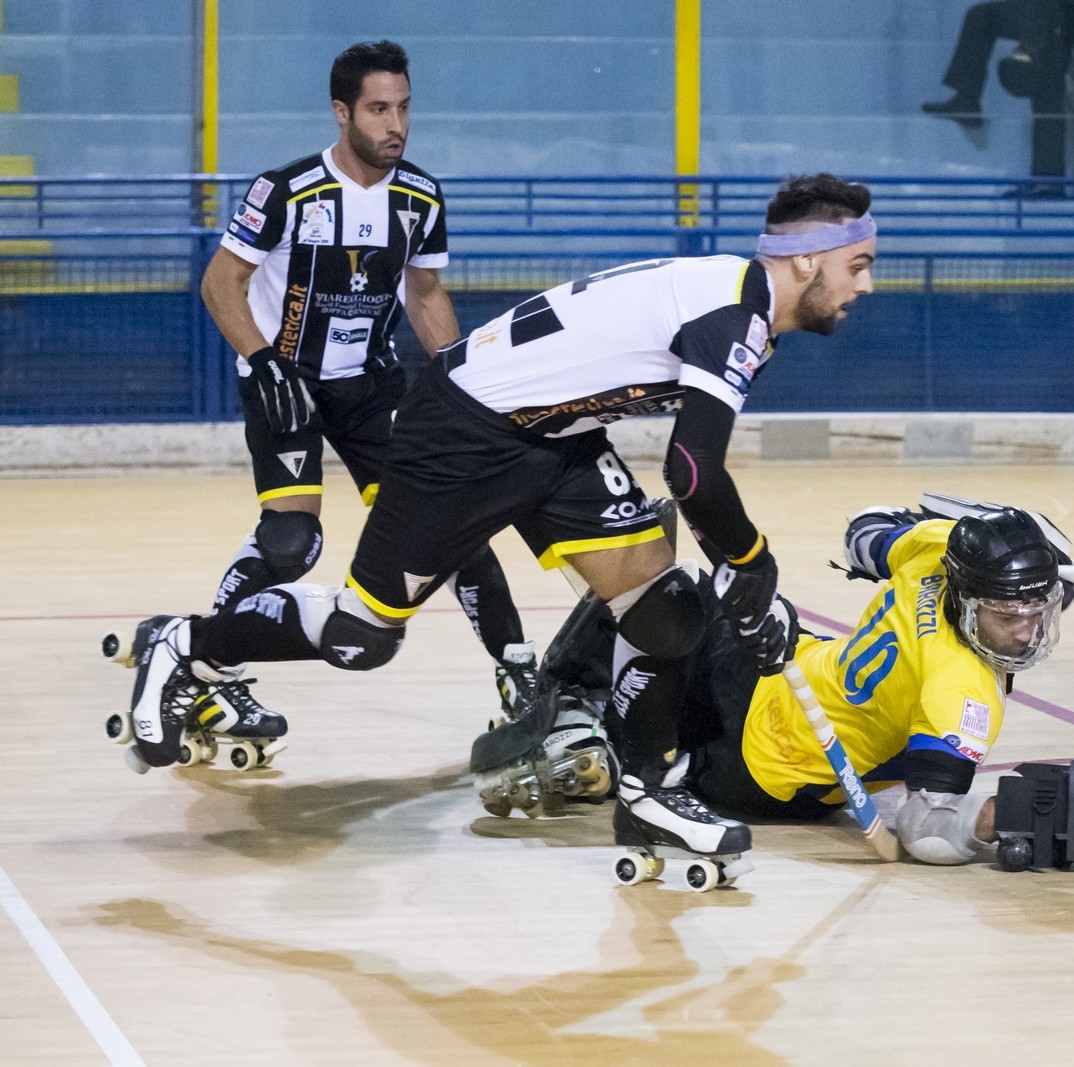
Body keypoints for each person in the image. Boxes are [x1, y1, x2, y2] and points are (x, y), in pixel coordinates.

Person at [111, 173, 878, 868]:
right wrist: (752, 563)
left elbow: (690, 476)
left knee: (666, 609)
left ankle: (646, 800)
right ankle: (189, 643)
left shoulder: (736, 299)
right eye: (859, 264)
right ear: (808, 261)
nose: (868, 285)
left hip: (556, 437)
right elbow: (693, 473)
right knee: (361, 637)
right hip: (464, 433)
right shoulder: (732, 312)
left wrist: (738, 567)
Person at [193, 40, 536, 755]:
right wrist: (262, 363)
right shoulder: (284, 191)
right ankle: (205, 666)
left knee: (451, 527)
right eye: (379, 109)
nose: (396, 124)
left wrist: (461, 384)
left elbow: (425, 292)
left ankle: (520, 677)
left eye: (404, 108)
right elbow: (220, 284)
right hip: (284, 379)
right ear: (342, 111)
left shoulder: (419, 196)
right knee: (294, 542)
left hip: (371, 385)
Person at [514, 503, 1074, 865]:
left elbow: (865, 532)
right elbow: (927, 831)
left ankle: (574, 710)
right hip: (770, 732)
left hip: (770, 736)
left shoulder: (936, 547)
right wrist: (1005, 816)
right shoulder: (964, 692)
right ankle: (608, 732)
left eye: (1036, 613)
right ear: (967, 596)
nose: (1024, 635)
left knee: (670, 587)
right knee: (671, 591)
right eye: (1007, 616)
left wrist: (929, 527)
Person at [922, 0, 1074, 196]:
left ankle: (1048, 181)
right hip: (1038, 15)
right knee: (981, 16)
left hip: (1063, 14)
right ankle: (967, 98)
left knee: (1047, 81)